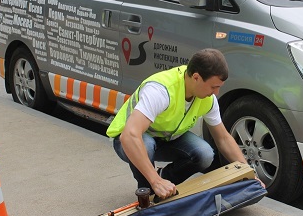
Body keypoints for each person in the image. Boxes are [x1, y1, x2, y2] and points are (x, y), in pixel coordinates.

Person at [107, 49, 251, 200]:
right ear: (196, 77)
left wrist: (247, 171)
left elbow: (223, 138)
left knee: (205, 154)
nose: (216, 93)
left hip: (166, 138)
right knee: (146, 145)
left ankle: (165, 181)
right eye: (213, 87)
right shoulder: (160, 90)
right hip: (129, 140)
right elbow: (129, 136)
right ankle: (148, 191)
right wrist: (155, 181)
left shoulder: (208, 99)